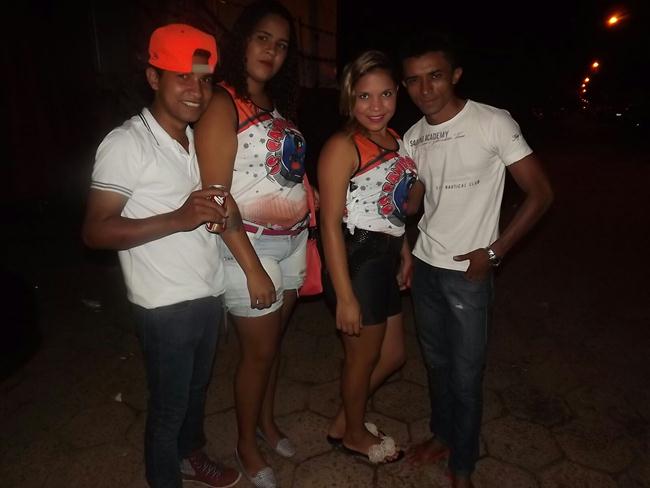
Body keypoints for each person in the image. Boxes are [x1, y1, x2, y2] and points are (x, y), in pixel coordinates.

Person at [81, 24, 246, 488]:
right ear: (154, 77)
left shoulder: (195, 138)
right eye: (182, 76)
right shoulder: (126, 143)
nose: (197, 90)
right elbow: (95, 230)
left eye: (205, 80)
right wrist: (177, 218)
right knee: (169, 409)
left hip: (206, 291)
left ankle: (190, 458)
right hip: (163, 306)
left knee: (195, 395)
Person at [399, 33, 554, 487]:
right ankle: (441, 436)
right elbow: (416, 201)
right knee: (436, 366)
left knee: (466, 376)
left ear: (456, 75)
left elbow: (541, 193)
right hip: (425, 267)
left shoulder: (492, 122)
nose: (425, 89)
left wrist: (494, 253)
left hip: (469, 272)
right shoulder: (412, 137)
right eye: (414, 80)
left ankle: (463, 464)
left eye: (435, 76)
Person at [194, 2, 307, 487]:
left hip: (293, 241)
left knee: (272, 346)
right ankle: (245, 443)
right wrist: (253, 269)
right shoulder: (222, 102)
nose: (271, 51)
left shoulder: (275, 107)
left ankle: (266, 422)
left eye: (281, 45)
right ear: (242, 40)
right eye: (263, 38)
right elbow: (216, 197)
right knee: (257, 354)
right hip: (249, 249)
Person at [317, 50, 417, 464]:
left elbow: (390, 204)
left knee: (393, 355)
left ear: (397, 94)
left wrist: (404, 251)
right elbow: (328, 224)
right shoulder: (342, 146)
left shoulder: (396, 139)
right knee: (362, 359)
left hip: (384, 258)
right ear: (349, 97)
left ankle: (345, 419)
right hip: (356, 261)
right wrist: (344, 296)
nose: (376, 106)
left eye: (385, 94)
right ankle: (354, 435)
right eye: (364, 96)